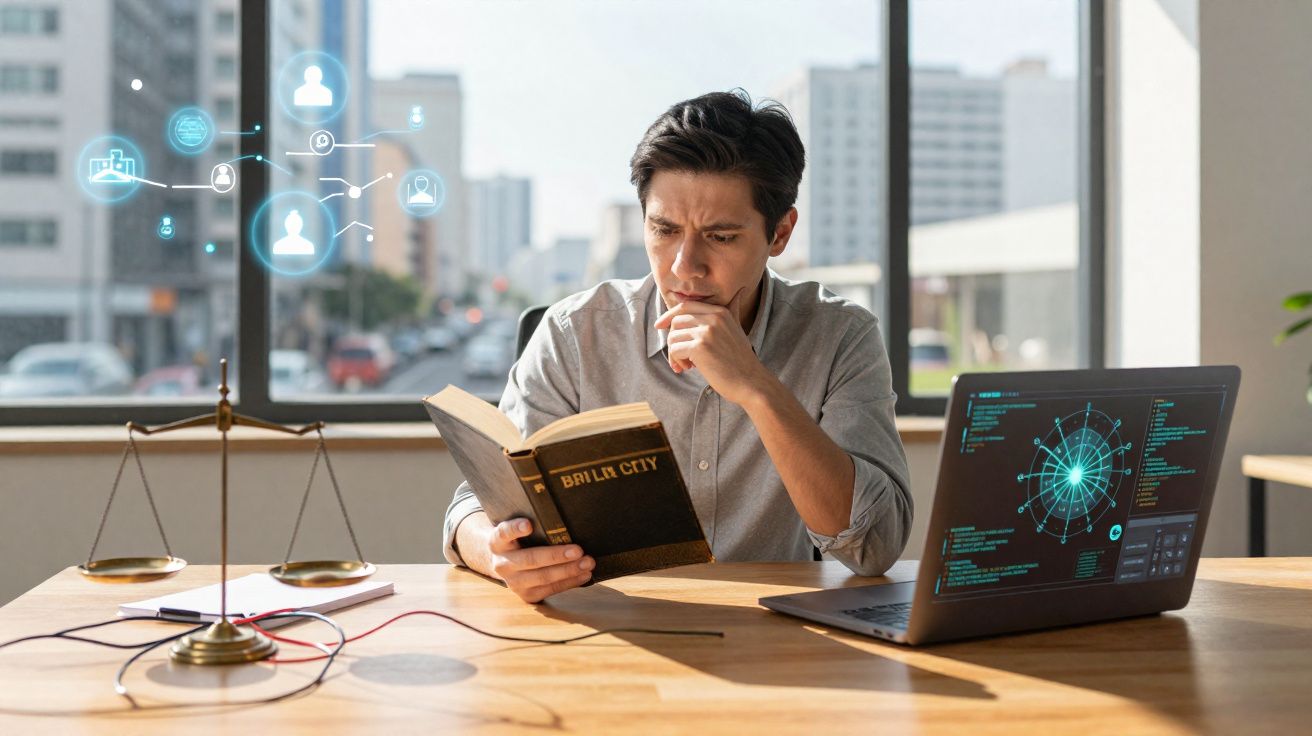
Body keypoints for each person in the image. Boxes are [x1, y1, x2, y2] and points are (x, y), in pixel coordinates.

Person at [443, 90, 912, 603]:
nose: (685, 265)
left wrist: (756, 387)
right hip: (604, 631)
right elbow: (475, 506)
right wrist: (495, 553)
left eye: (722, 237)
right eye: (664, 230)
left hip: (773, 635)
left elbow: (875, 547)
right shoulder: (574, 333)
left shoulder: (841, 336)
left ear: (780, 233)